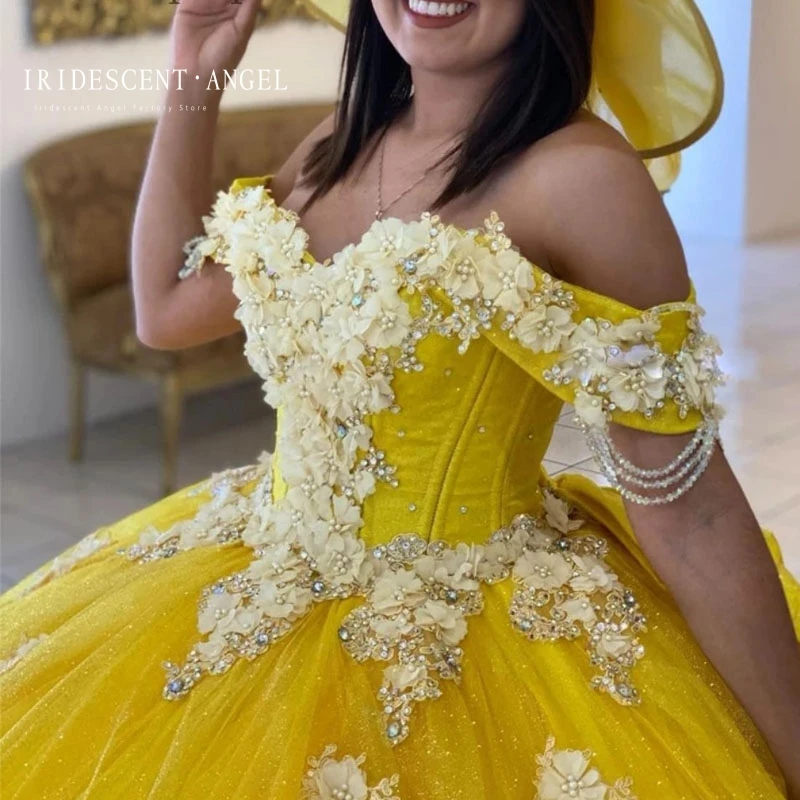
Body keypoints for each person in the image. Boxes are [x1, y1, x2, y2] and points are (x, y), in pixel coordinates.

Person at [1, 0, 799, 796]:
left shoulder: (583, 179)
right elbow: (167, 310)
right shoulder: (339, 142)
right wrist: (194, 71)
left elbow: (691, 511)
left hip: (473, 638)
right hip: (260, 563)